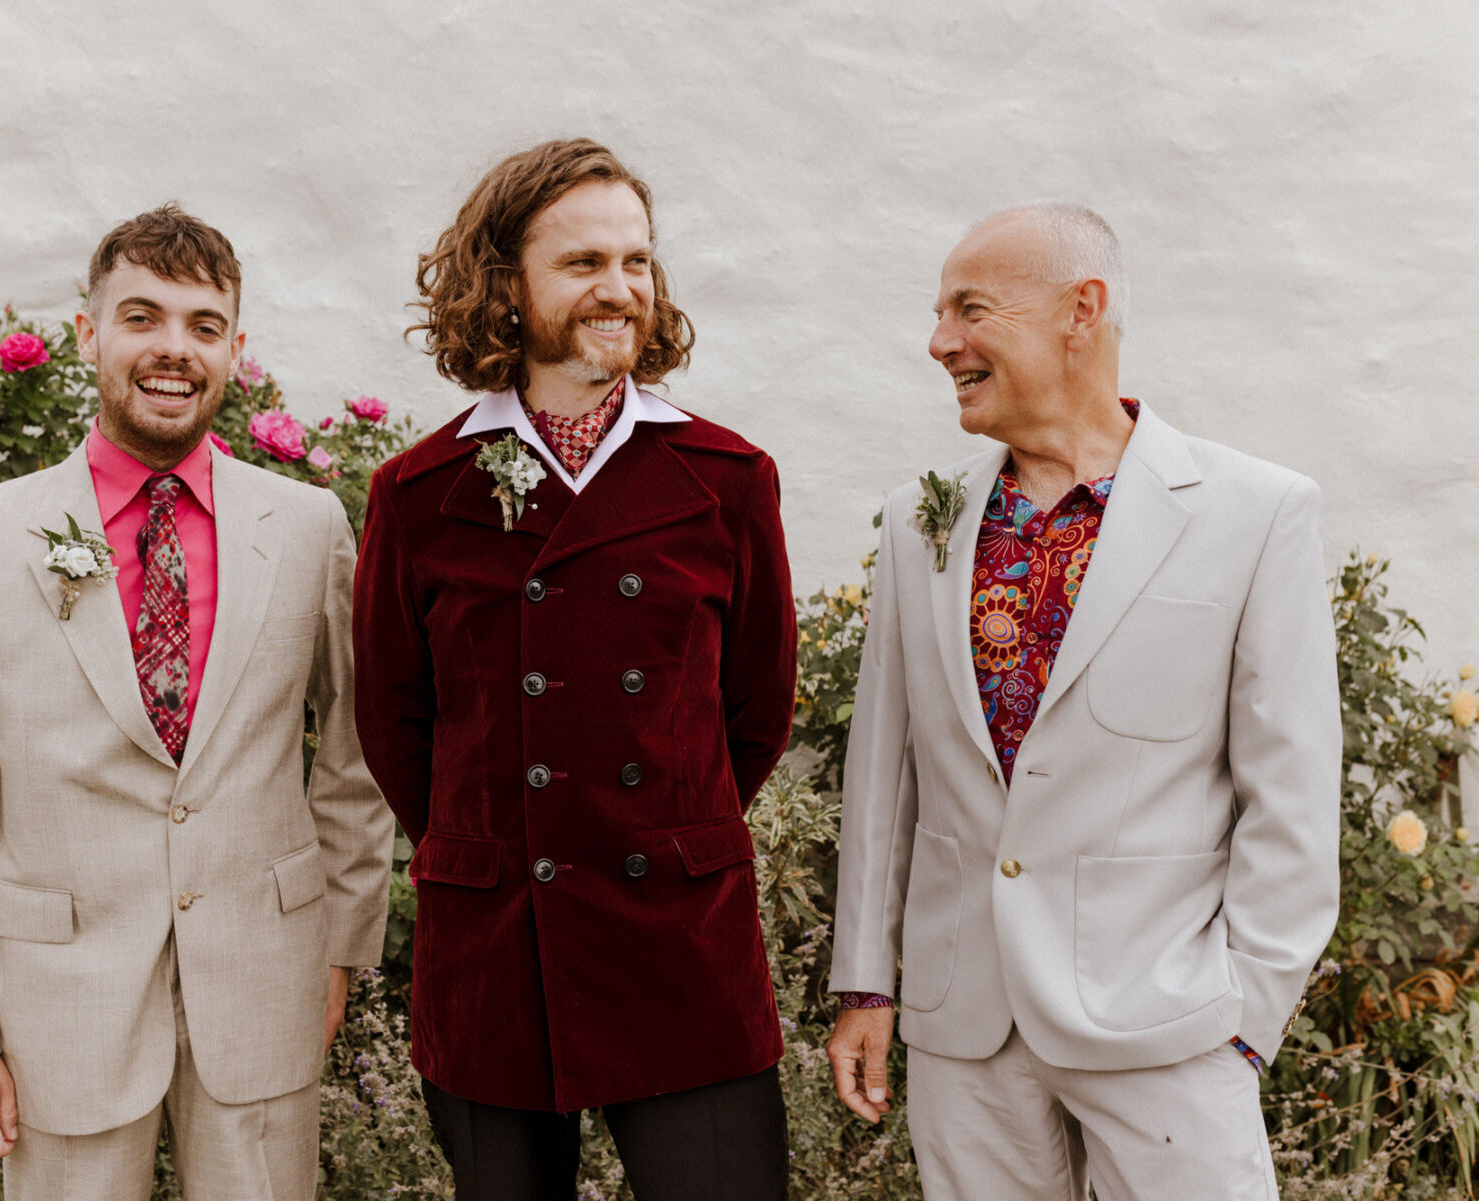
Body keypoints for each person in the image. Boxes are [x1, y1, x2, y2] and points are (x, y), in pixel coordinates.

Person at [826, 202, 1341, 1201]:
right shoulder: (915, 521)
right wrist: (869, 983)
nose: (940, 342)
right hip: (964, 1028)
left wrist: (1246, 1016)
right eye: (938, 314)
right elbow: (881, 774)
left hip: (1169, 1022)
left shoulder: (1256, 513)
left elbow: (1292, 792)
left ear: (1081, 310)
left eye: (970, 309)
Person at [0, 204, 393, 1201]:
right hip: (54, 1006)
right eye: (143, 317)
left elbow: (359, 756)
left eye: (204, 325)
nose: (173, 348)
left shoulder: (308, 527)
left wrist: (337, 943)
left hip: (267, 983)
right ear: (88, 332)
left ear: (236, 349)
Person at [352, 138, 797, 1201]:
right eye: (583, 262)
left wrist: (662, 831)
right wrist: (496, 840)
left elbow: (757, 709)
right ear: (505, 287)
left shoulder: (725, 477)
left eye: (637, 261)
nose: (620, 288)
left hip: (680, 938)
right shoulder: (420, 492)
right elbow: (394, 719)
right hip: (497, 940)